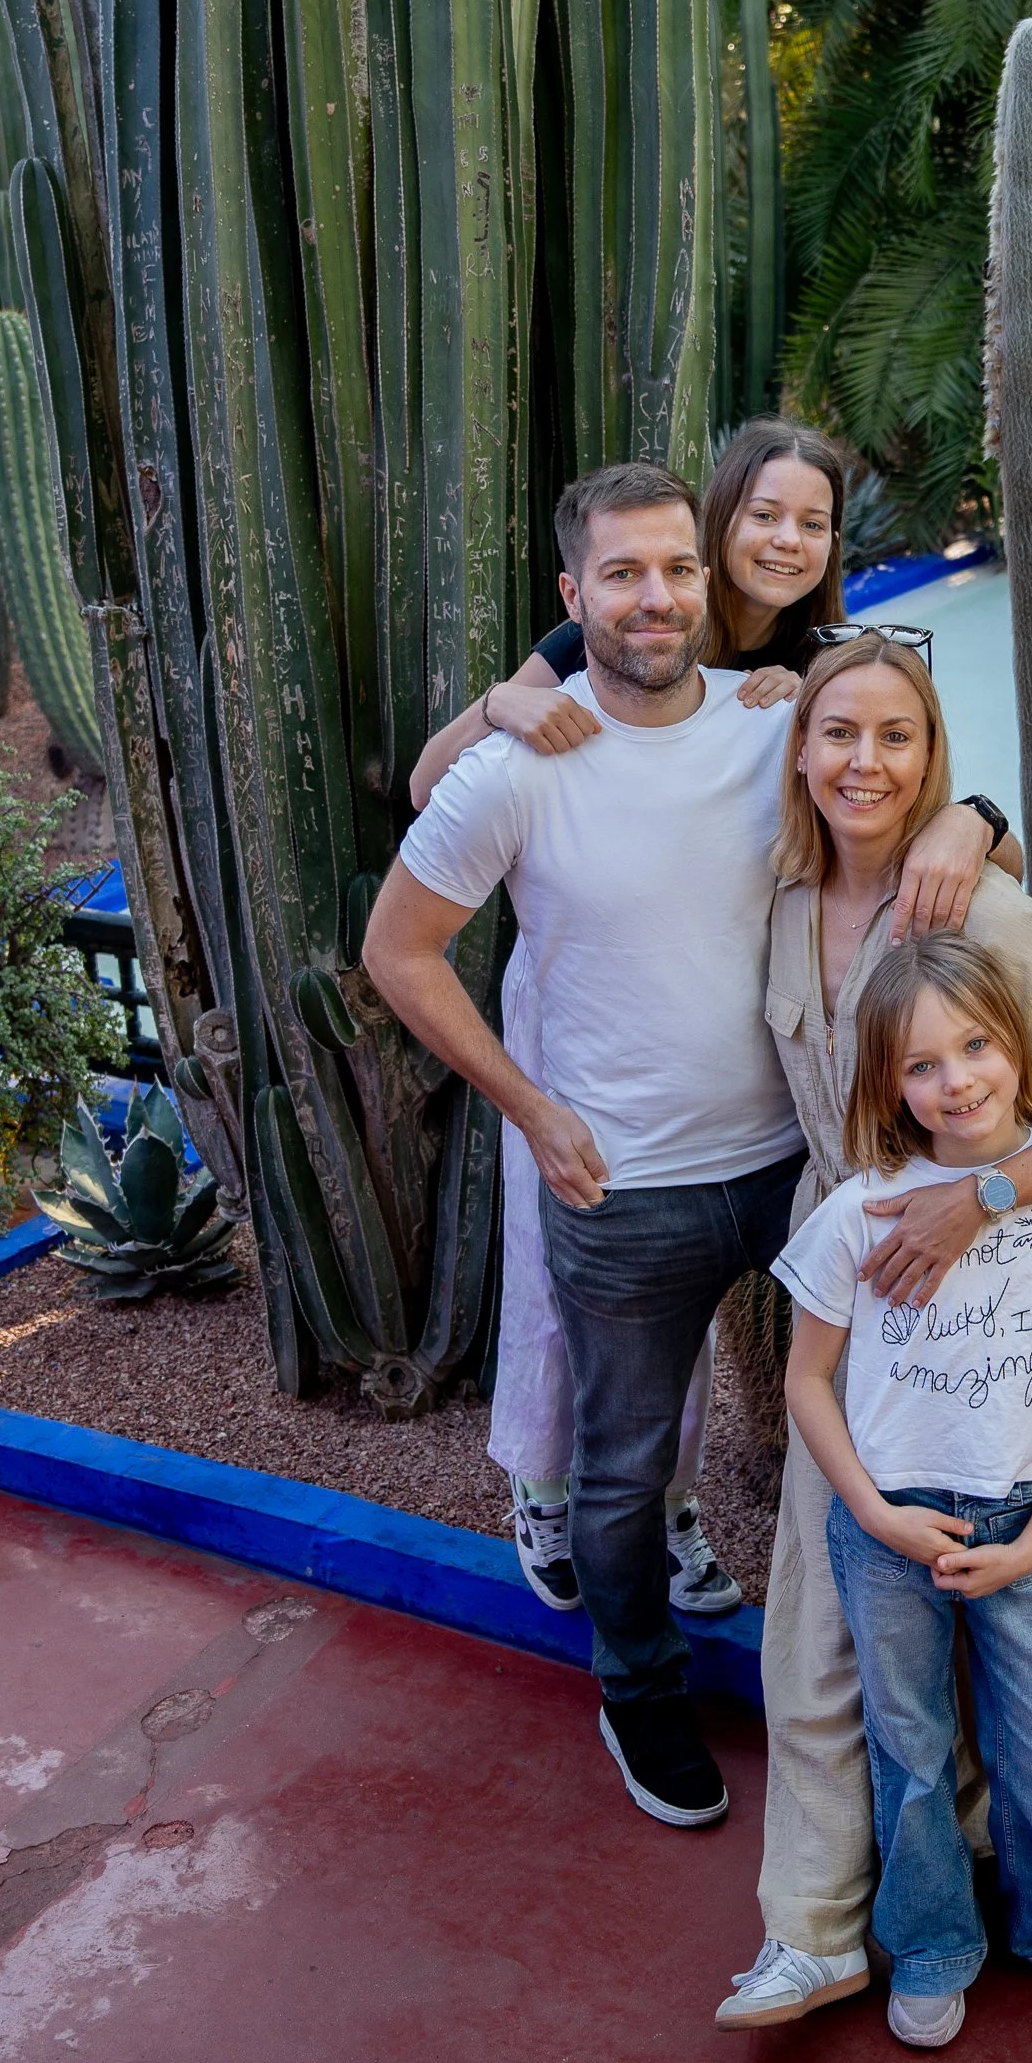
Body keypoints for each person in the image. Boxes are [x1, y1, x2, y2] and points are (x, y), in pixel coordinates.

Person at [361, 463, 1007, 1830]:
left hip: (797, 1173)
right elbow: (396, 951)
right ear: (572, 598)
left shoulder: (771, 719)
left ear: (707, 583)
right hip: (626, 1190)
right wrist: (529, 1106)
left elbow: (903, 733)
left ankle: (909, 1708)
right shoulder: (516, 769)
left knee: (887, 1424)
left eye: (676, 570)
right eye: (622, 575)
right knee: (624, 1469)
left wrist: (972, 815)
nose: (655, 599)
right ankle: (640, 1695)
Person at [715, 636, 1032, 2030]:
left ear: (936, 760)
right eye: (838, 733)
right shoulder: (787, 900)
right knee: (819, 1634)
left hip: (1008, 1320)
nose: (866, 763)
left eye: (899, 739)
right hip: (858, 1299)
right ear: (799, 751)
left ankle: (994, 1909)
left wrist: (978, 1201)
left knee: (1007, 1652)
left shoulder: (980, 913)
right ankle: (816, 1929)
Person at [403, 422, 869, 1621]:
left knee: (678, 1321)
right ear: (720, 526)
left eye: (810, 521)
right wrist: (510, 701)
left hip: (729, 1033)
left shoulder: (812, 669)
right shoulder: (595, 637)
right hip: (588, 1013)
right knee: (566, 1293)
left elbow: (889, 789)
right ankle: (552, 1492)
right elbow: (429, 798)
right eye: (764, 513)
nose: (785, 538)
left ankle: (664, 1507)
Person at [772, 932, 1032, 2048]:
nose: (958, 1081)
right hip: (887, 1525)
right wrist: (872, 1511)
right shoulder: (864, 1210)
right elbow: (808, 1381)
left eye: (976, 1045)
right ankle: (935, 1943)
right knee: (909, 1753)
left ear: (1015, 1045)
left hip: (1019, 1528)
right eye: (922, 1065)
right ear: (890, 1087)